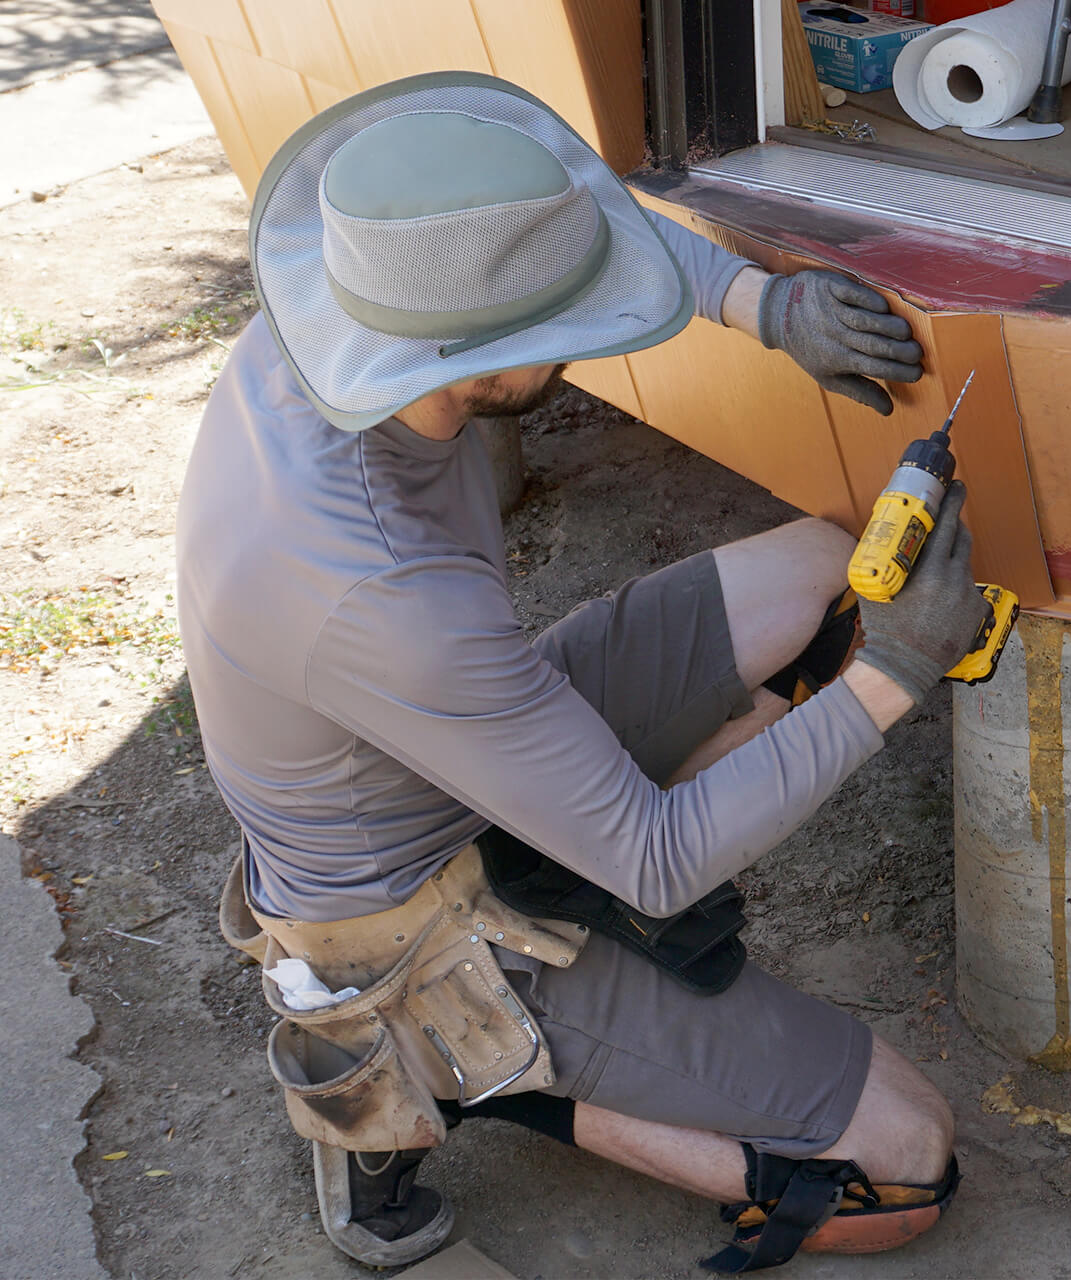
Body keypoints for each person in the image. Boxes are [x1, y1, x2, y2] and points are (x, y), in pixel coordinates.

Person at [176, 72, 991, 1273]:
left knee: (837, 570)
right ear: (479, 356)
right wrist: (902, 671)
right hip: (402, 916)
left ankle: (579, 895)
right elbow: (658, 860)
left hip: (447, 744)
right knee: (903, 1163)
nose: (607, 330)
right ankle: (459, 1069)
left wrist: (762, 303)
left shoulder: (348, 312)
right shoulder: (385, 591)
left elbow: (569, 236)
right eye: (572, 329)